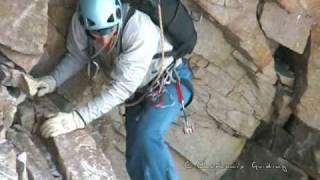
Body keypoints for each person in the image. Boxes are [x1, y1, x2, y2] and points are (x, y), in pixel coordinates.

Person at [37, 0, 194, 179]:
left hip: (170, 81)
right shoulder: (80, 23)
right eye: (96, 34)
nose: (104, 40)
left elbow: (122, 88)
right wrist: (52, 80)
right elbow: (77, 56)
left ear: (118, 16)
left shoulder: (139, 29)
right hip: (139, 92)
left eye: (108, 31)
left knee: (147, 135)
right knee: (135, 154)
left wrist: (78, 118)